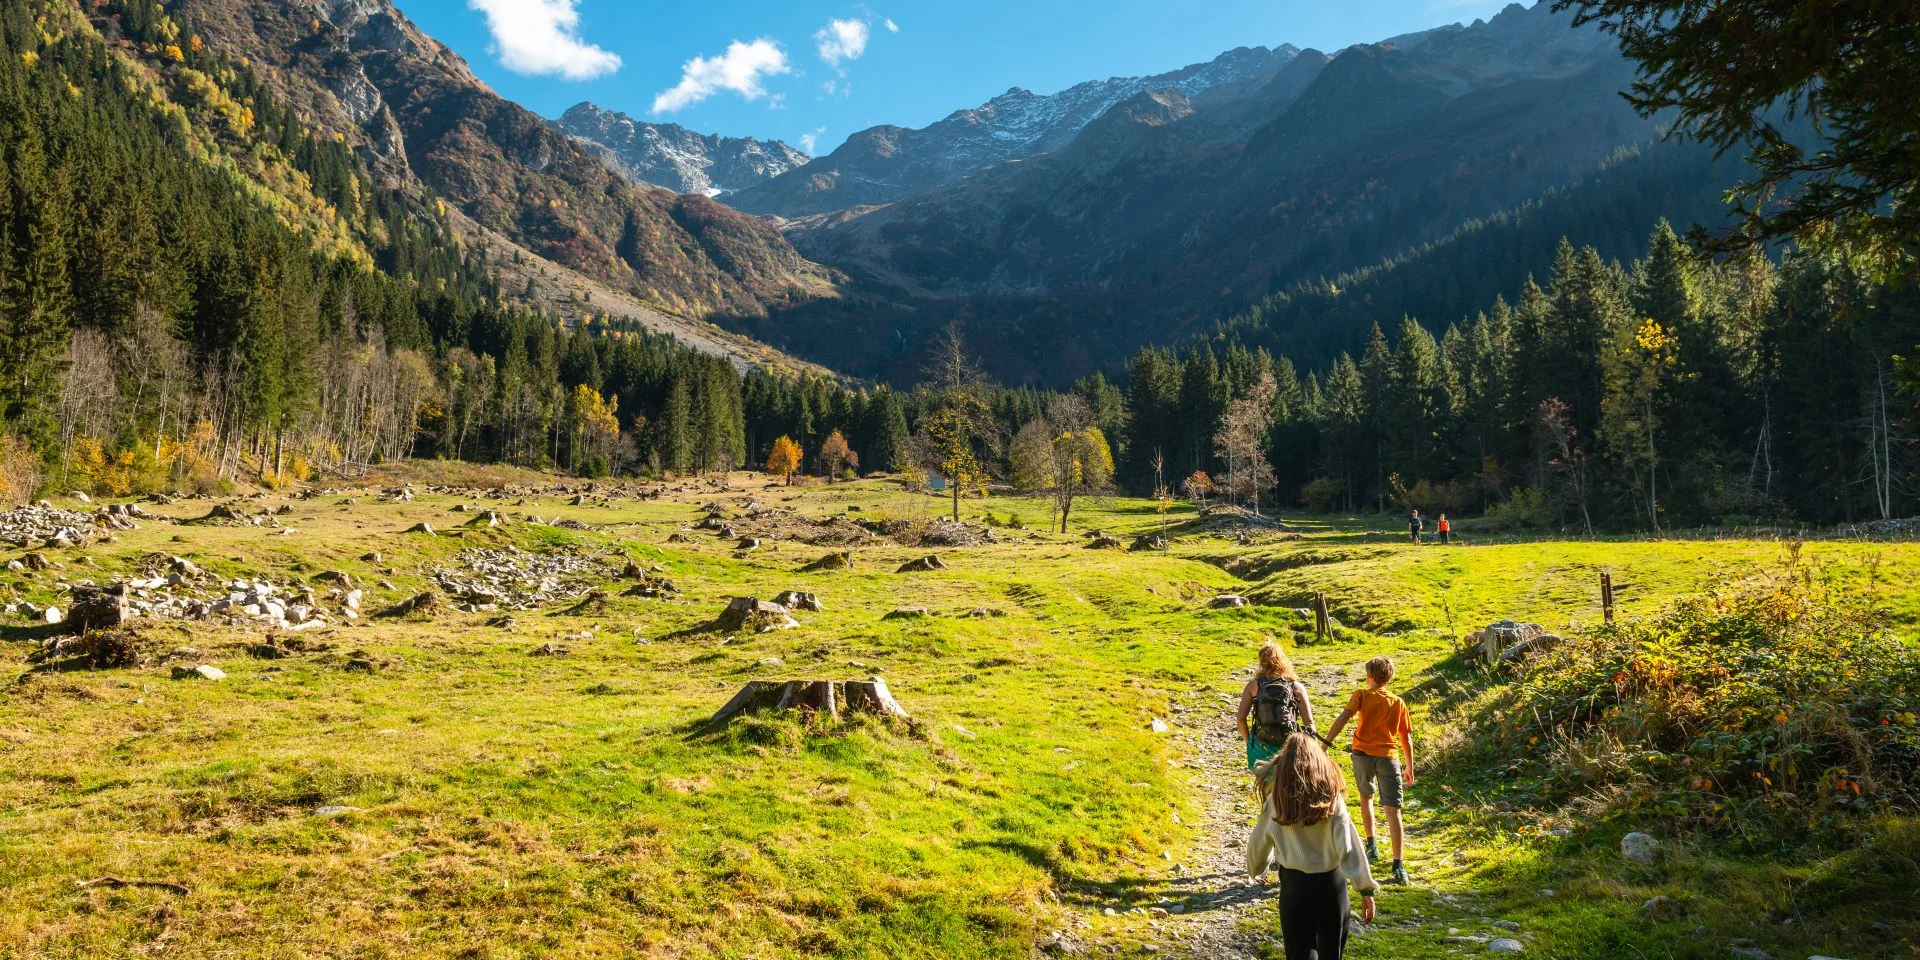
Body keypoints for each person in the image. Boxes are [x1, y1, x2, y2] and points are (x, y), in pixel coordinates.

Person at [1247, 733, 1379, 960]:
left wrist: (1257, 868)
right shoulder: (1332, 800)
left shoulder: (1276, 802)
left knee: (1299, 953)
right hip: (1331, 885)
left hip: (1294, 886)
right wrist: (1365, 888)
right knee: (1331, 952)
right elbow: (1348, 846)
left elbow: (1258, 842)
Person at [1326, 656, 1415, 885]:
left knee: (1366, 798)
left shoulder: (1361, 695)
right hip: (1389, 757)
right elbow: (1405, 737)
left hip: (1362, 755)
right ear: (1389, 678)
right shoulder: (1398, 702)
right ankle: (1398, 865)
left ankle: (1372, 844)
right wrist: (1409, 766)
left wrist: (1325, 744)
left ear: (1369, 675)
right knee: (1393, 810)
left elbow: (1343, 718)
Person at [1236, 640, 1315, 773]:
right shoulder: (1296, 686)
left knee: (1264, 782)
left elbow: (1240, 719)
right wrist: (1315, 750)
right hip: (1289, 745)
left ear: (1261, 662)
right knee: (1287, 780)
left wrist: (1250, 743)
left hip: (1260, 746)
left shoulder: (1254, 685)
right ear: (1282, 660)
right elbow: (1309, 722)